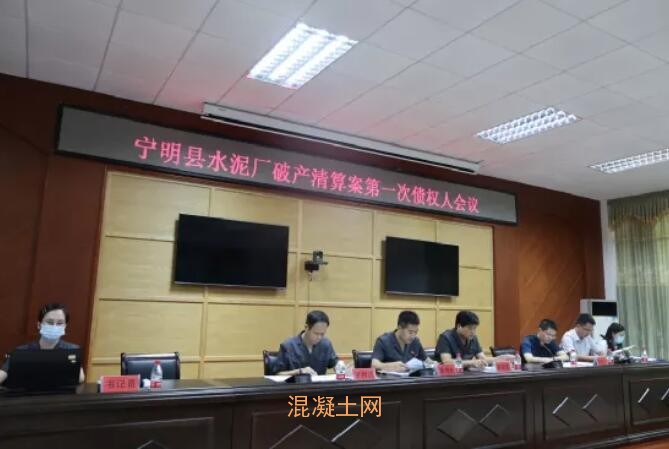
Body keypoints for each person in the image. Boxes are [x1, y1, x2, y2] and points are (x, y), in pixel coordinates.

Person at [0, 303, 85, 385]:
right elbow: (2, 374)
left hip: (59, 394)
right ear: (39, 325)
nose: (54, 326)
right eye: (50, 322)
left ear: (65, 326)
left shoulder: (71, 350)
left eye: (59, 323)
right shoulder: (21, 352)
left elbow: (80, 378)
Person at [274, 310, 338, 376]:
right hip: (296, 382)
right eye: (316, 333)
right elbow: (278, 374)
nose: (319, 337)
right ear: (306, 328)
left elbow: (335, 364)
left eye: (322, 334)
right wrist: (299, 371)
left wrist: (341, 368)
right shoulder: (288, 346)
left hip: (318, 382)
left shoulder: (326, 344)